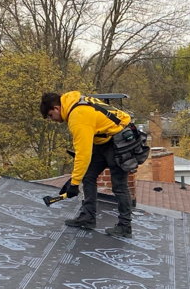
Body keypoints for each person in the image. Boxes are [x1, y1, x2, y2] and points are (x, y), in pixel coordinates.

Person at [40, 91, 134, 237]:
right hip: (104, 140)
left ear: (57, 108)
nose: (52, 119)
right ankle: (88, 217)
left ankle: (125, 227)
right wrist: (76, 181)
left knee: (119, 186)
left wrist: (74, 184)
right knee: (89, 175)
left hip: (119, 140)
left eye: (51, 115)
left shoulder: (77, 117)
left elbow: (82, 155)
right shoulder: (73, 102)